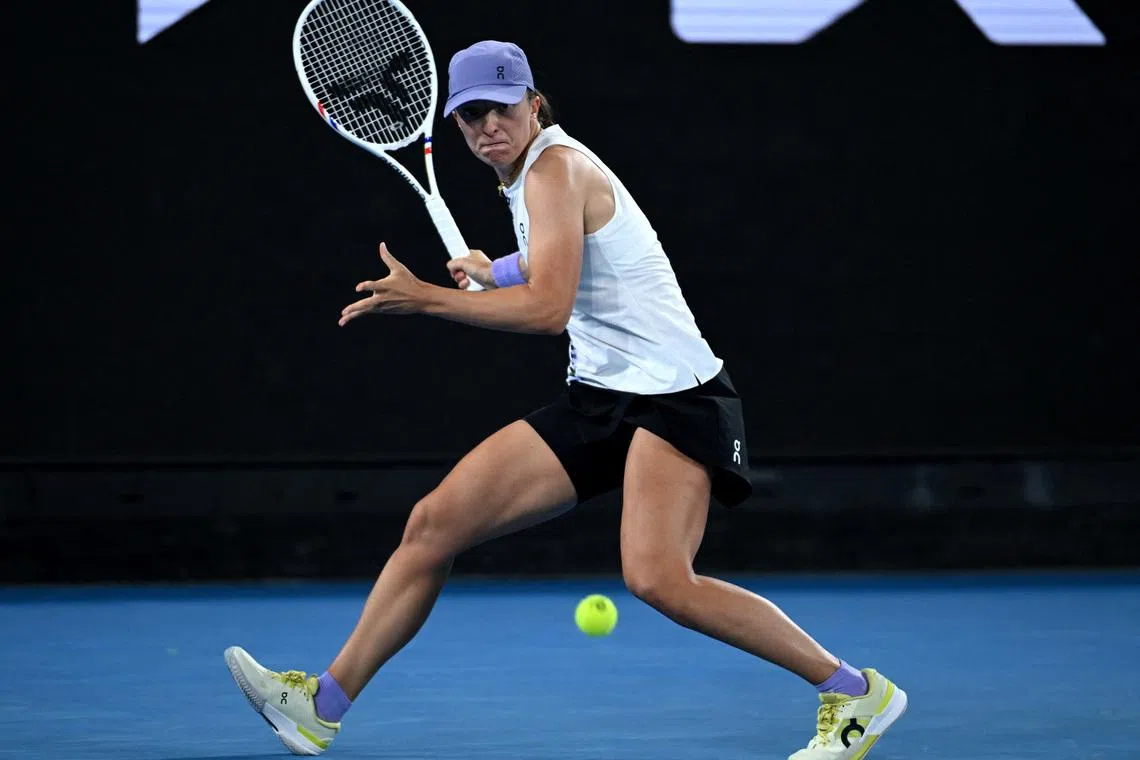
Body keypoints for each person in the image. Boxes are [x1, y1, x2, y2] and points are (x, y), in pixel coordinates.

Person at [224, 40, 907, 760]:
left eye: (502, 108)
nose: (489, 125)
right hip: (602, 394)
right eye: (472, 115)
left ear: (534, 105)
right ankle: (320, 707)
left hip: (675, 396)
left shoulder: (555, 168)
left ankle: (855, 692)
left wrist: (426, 298)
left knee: (658, 578)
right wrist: (495, 268)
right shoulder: (533, 175)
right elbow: (560, 251)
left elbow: (548, 309)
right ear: (456, 124)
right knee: (434, 524)